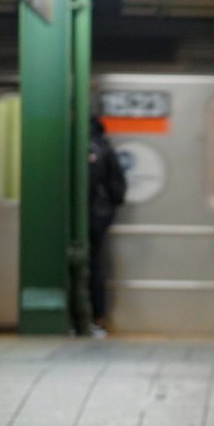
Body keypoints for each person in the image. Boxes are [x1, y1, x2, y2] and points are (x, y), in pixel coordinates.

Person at [88, 116, 127, 336]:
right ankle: (98, 318)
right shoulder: (106, 148)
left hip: (89, 215)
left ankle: (83, 318)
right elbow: (118, 191)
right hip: (101, 215)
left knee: (84, 266)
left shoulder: (84, 149)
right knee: (94, 264)